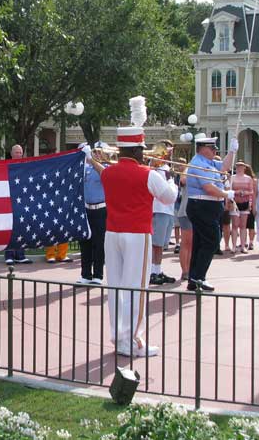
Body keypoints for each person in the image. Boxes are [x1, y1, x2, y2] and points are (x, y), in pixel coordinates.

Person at [91, 118, 177, 357]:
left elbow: (106, 173)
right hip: (137, 234)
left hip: (113, 233)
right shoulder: (148, 174)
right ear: (139, 149)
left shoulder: (108, 172)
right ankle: (133, 340)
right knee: (136, 289)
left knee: (116, 287)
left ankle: (119, 337)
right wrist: (171, 178)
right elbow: (169, 198)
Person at [185, 135, 238, 291]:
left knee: (201, 243)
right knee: (212, 242)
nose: (215, 150)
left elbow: (224, 167)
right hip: (202, 205)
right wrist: (226, 194)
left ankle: (195, 279)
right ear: (202, 149)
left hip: (208, 206)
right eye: (212, 148)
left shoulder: (208, 162)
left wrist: (232, 152)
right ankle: (199, 277)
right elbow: (208, 188)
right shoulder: (199, 164)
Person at [77, 142, 107, 285]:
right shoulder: (87, 168)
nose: (96, 154)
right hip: (86, 209)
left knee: (99, 244)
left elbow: (104, 173)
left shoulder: (106, 167)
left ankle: (98, 275)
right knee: (85, 242)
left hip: (100, 209)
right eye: (95, 151)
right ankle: (85, 274)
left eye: (99, 152)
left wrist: (92, 160)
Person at [149, 153, 177, 285]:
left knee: (161, 244)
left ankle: (157, 270)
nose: (168, 155)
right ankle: (152, 272)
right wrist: (171, 183)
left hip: (168, 209)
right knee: (156, 244)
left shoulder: (166, 168)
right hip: (158, 209)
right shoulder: (154, 169)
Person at [4, 144, 32, 265]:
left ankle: (20, 255)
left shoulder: (25, 166)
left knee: (21, 229)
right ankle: (9, 255)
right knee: (10, 229)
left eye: (20, 152)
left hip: (23, 202)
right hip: (9, 202)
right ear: (11, 153)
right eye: (16, 152)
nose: (19, 154)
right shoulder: (6, 166)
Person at [230, 161, 253, 253]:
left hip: (245, 202)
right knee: (235, 225)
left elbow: (251, 191)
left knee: (243, 226)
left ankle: (243, 246)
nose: (239, 168)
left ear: (244, 168)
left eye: (241, 166)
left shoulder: (248, 179)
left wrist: (244, 193)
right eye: (238, 166)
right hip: (235, 203)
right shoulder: (232, 178)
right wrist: (236, 192)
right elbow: (229, 190)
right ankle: (234, 246)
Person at [176, 161, 192, 281]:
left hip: (198, 212)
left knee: (193, 244)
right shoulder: (188, 171)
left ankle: (191, 269)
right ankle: (185, 271)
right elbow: (183, 180)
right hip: (186, 211)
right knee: (186, 242)